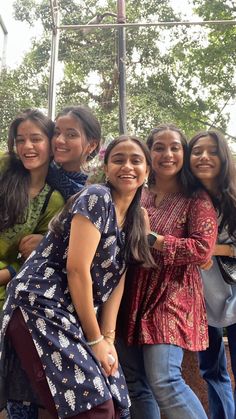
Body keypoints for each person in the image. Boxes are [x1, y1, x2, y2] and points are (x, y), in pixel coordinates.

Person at [0, 135, 154, 419]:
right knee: (93, 406)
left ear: (147, 170)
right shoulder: (96, 197)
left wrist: (108, 339)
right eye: (118, 159)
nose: (127, 166)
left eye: (136, 160)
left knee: (116, 400)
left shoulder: (137, 217)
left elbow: (117, 280)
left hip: (73, 311)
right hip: (39, 303)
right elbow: (77, 269)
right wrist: (95, 341)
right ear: (106, 167)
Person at [4, 105, 102, 418]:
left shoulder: (80, 192)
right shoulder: (14, 170)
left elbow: (65, 256)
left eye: (37, 138)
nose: (28, 147)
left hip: (42, 293)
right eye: (57, 132)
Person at [117, 123, 218, 419]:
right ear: (149, 153)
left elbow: (202, 248)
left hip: (172, 294)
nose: (167, 153)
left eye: (175, 147)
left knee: (166, 380)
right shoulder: (138, 193)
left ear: (184, 153)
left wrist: (154, 240)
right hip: (131, 293)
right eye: (159, 147)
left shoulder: (196, 198)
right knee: (135, 384)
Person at [188, 129, 236, 419]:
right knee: (211, 370)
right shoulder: (184, 198)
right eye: (197, 151)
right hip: (198, 297)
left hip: (233, 294)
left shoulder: (233, 195)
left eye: (212, 151)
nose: (204, 157)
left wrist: (212, 249)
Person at [0, 108, 64, 310]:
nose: (27, 146)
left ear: (52, 146)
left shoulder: (52, 200)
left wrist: (9, 271)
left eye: (36, 139)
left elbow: (35, 259)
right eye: (20, 140)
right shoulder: (4, 165)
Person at [18, 105, 101, 260]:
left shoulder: (95, 190)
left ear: (92, 145)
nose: (60, 140)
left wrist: (48, 243)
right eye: (56, 133)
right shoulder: (39, 169)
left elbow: (99, 244)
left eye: (71, 135)